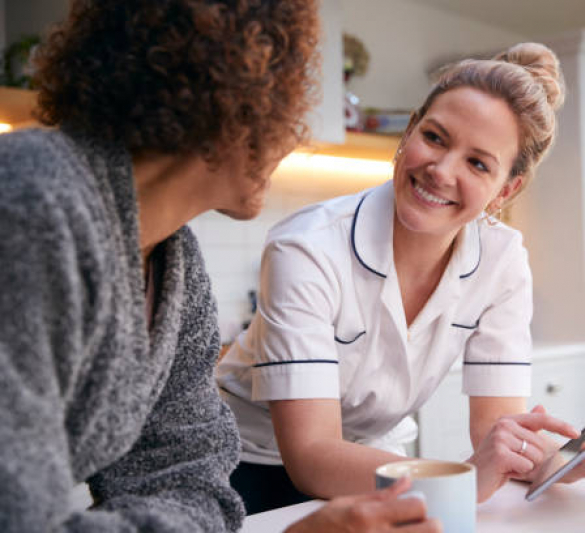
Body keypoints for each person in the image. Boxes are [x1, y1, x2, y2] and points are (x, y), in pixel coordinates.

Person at [0, 1, 440, 531]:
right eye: (285, 101)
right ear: (236, 103)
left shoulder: (175, 265)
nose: (291, 136)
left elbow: (196, 481)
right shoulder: (28, 203)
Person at [216, 42, 585, 514]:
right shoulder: (307, 247)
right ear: (411, 128)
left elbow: (495, 433)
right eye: (435, 137)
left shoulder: (503, 260)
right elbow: (311, 456)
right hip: (245, 468)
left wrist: (569, 459)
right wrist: (463, 479)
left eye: (478, 163)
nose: (440, 171)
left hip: (379, 462)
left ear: (507, 189)